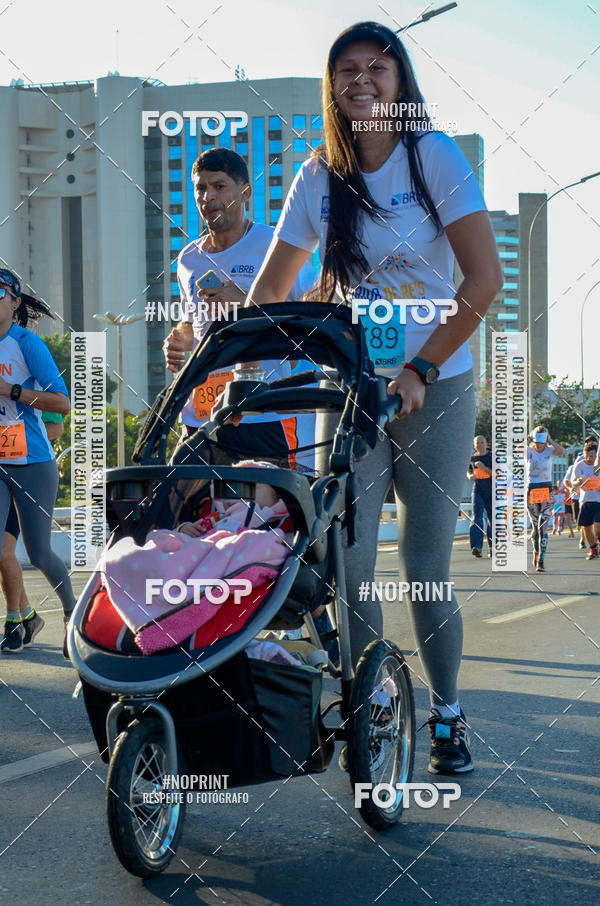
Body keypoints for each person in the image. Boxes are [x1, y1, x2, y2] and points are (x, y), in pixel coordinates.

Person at [246, 22, 503, 774]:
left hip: (438, 384)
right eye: (346, 70)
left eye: (376, 68)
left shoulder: (434, 156)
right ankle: (377, 709)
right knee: (350, 568)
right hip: (352, 388)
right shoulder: (317, 177)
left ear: (401, 81)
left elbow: (482, 281)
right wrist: (235, 352)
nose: (361, 80)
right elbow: (271, 290)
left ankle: (449, 712)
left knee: (424, 565)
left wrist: (419, 368)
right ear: (332, 87)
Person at [163, 148, 316, 470]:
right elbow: (192, 320)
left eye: (219, 187)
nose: (208, 197)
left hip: (267, 406)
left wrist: (244, 299)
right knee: (185, 498)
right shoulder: (188, 260)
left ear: (245, 192)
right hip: (205, 410)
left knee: (272, 507)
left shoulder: (276, 244)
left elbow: (312, 315)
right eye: (201, 188)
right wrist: (181, 337)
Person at [0, 268, 75, 656]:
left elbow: (62, 403)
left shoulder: (27, 344)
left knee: (40, 552)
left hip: (33, 462)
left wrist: (11, 390)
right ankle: (19, 617)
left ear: (14, 303)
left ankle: (72, 618)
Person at [526, 426, 565, 572]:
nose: (539, 445)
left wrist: (550, 441)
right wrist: (527, 440)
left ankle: (542, 559)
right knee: (535, 526)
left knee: (544, 525)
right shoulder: (528, 451)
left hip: (546, 488)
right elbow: (515, 449)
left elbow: (562, 451)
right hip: (532, 489)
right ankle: (536, 553)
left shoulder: (550, 450)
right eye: (537, 442)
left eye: (542, 442)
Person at [570, 439, 600, 559]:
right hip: (585, 500)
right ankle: (593, 548)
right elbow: (572, 482)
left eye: (592, 456)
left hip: (598, 500)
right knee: (586, 527)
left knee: (597, 525)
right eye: (587, 456)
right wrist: (577, 482)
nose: (589, 458)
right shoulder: (579, 466)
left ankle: (598, 541)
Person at [466, 435, 492, 558]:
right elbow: (469, 472)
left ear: (486, 444)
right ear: (474, 445)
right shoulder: (471, 458)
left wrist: (484, 468)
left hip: (492, 490)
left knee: (493, 519)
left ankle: (494, 548)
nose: (480, 444)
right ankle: (477, 547)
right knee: (477, 517)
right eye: (478, 443)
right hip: (478, 490)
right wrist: (470, 476)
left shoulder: (492, 456)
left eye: (482, 442)